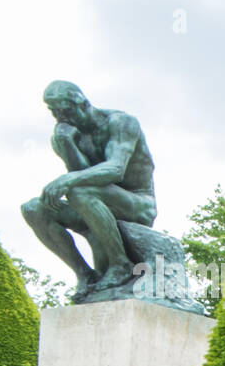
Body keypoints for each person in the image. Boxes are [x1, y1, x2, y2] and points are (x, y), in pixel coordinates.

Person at [20, 81, 158, 301]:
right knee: (33, 209)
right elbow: (84, 174)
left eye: (64, 110)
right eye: (53, 112)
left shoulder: (121, 122)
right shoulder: (69, 136)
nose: (60, 117)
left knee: (79, 192)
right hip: (95, 201)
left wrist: (69, 179)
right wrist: (66, 144)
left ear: (81, 102)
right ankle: (85, 274)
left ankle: (120, 264)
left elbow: (115, 169)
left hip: (137, 204)